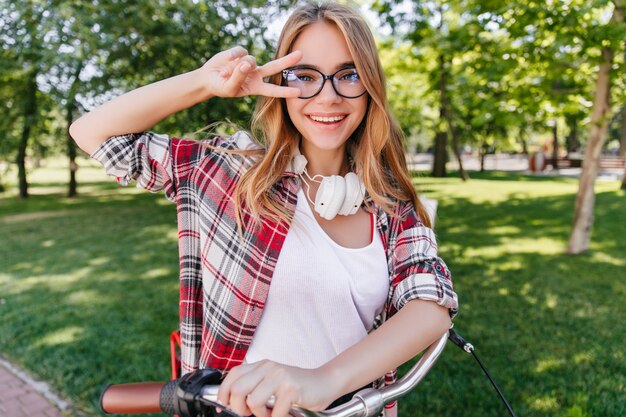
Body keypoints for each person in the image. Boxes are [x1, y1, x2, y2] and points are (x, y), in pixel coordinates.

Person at [70, 2, 458, 417]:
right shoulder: (228, 171)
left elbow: (431, 304)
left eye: (349, 75)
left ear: (370, 88)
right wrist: (205, 82)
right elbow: (92, 132)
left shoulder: (390, 203)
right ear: (280, 83)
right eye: (305, 77)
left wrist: (323, 382)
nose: (327, 97)